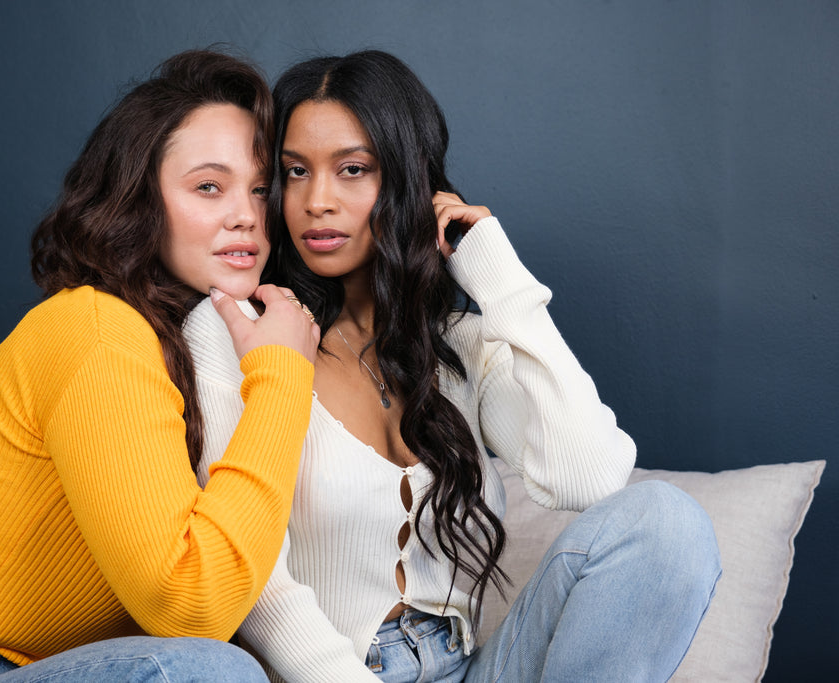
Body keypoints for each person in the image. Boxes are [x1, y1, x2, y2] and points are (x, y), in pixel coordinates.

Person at [184, 50, 721, 682]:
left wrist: (497, 275)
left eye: (353, 169)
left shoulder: (461, 346)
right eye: (295, 172)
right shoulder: (236, 330)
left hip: (471, 669)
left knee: (665, 521)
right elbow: (252, 581)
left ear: (410, 183)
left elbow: (592, 477)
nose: (316, 201)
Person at [0, 49, 321, 682]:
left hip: (26, 665)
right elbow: (190, 607)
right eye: (208, 187)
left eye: (257, 189)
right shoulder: (99, 330)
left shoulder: (198, 341)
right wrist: (281, 378)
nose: (246, 214)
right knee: (208, 672)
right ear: (139, 200)